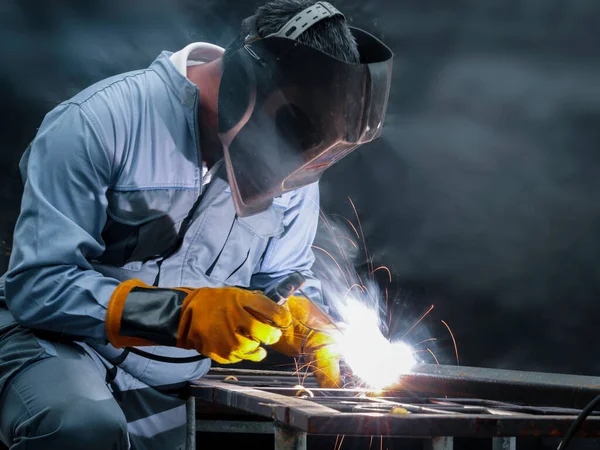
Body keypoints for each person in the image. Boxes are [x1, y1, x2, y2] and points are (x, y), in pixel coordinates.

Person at [0, 0, 392, 448]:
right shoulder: (98, 122)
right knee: (83, 428)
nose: (286, 180)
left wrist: (301, 318)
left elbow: (284, 278)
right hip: (60, 346)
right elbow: (37, 286)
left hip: (168, 377)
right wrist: (181, 315)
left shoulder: (293, 168)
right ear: (247, 91)